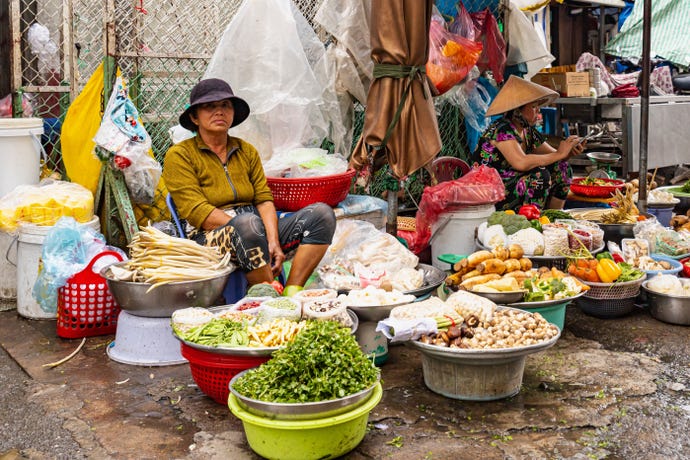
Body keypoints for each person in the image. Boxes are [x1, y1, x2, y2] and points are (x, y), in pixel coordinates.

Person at [163, 78, 336, 294]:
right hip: (207, 236)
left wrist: (271, 240)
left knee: (321, 214)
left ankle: (292, 291)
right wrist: (246, 228)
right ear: (194, 117)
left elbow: (263, 200)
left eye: (225, 105)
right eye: (210, 106)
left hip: (255, 228)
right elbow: (198, 211)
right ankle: (269, 297)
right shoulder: (179, 155)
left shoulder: (246, 151)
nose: (219, 111)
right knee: (248, 224)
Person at [470, 75, 585, 212]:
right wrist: (560, 153)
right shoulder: (502, 129)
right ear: (518, 110)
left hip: (509, 183)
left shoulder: (528, 131)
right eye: (534, 106)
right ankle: (530, 223)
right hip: (488, 189)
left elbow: (554, 157)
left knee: (563, 168)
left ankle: (553, 217)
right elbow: (521, 162)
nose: (538, 111)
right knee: (539, 175)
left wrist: (568, 153)